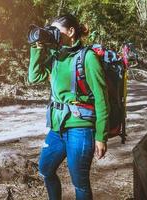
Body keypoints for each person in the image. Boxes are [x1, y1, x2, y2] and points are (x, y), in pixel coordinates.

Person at [28, 14, 109, 200]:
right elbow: (33, 77)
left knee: (79, 183)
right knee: (45, 170)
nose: (53, 34)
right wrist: (38, 47)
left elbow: (101, 99)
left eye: (56, 30)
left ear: (71, 31)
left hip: (81, 127)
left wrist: (101, 136)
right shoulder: (57, 56)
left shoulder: (88, 57)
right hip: (57, 127)